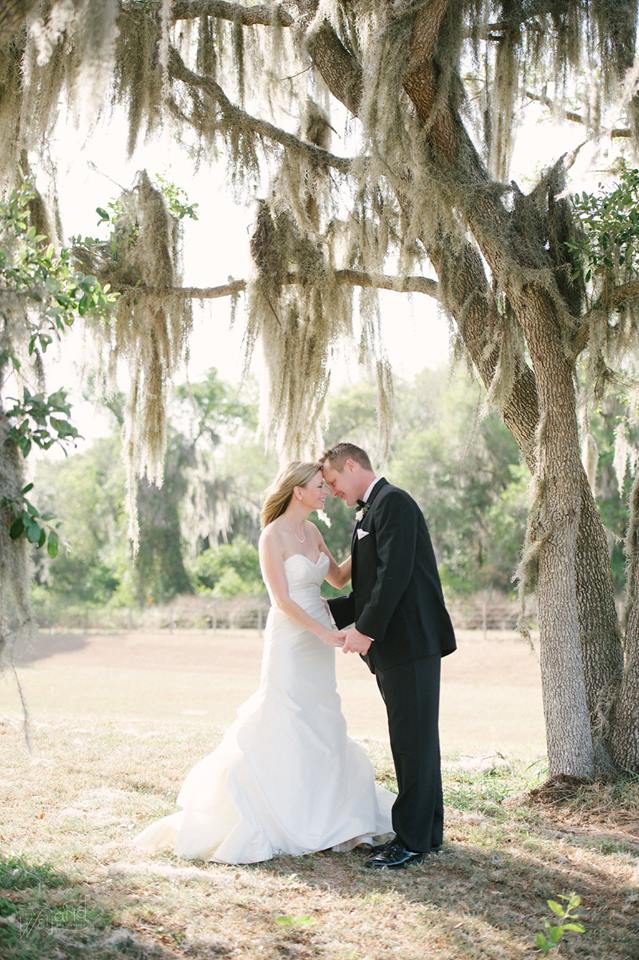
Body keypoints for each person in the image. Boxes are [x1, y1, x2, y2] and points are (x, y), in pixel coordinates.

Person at [132, 461, 393, 864]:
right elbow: (282, 601)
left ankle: (325, 809)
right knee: (286, 711)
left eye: (327, 485)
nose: (326, 491)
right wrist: (324, 632)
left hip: (320, 638)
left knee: (321, 713)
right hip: (293, 636)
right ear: (297, 490)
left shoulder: (313, 531)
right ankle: (282, 809)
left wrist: (368, 535)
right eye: (319, 486)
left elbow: (339, 579)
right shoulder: (272, 536)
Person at [320, 443, 456, 870]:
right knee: (416, 740)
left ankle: (412, 840)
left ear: (352, 465)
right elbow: (370, 586)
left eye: (333, 482)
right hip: (398, 645)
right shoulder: (371, 508)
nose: (333, 491)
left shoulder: (392, 502)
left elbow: (394, 577)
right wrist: (322, 612)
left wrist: (364, 630)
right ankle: (427, 833)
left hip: (410, 642)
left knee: (412, 741)